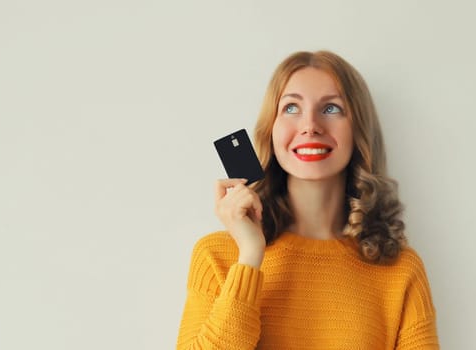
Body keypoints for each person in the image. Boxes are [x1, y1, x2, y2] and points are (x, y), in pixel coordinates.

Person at [176, 50, 439, 349]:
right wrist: (250, 256)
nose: (310, 125)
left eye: (331, 109)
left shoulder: (400, 269)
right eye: (291, 108)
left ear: (359, 132)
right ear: (270, 131)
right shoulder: (218, 255)